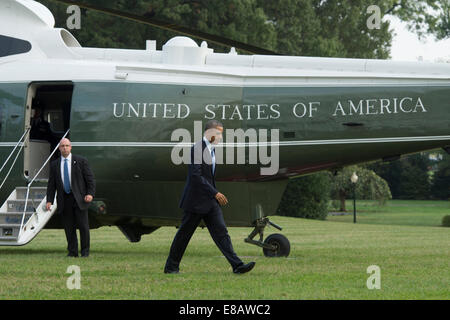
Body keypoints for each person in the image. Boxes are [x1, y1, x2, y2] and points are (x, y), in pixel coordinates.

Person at [164, 120, 255, 274]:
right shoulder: (198, 149)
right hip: (195, 201)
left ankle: (237, 266)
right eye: (218, 133)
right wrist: (215, 193)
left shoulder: (211, 149)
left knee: (221, 233)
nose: (220, 137)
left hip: (210, 202)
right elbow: (195, 176)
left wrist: (213, 195)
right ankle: (171, 267)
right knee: (184, 235)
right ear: (209, 133)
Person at [46, 138, 96, 257]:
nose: (65, 148)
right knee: (69, 228)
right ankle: (72, 252)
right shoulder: (54, 165)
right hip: (64, 199)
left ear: (71, 147)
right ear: (59, 148)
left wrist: (90, 194)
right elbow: (51, 185)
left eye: (67, 146)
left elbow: (90, 180)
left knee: (83, 227)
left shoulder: (81, 161)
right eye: (62, 146)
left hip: (80, 199)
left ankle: (85, 252)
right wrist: (49, 200)